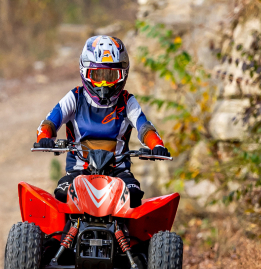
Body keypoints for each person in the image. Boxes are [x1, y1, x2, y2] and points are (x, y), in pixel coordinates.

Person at [36, 35, 170, 208]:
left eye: (111, 75)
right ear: (85, 72)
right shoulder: (75, 97)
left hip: (119, 173)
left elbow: (144, 127)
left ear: (123, 75)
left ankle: (135, 235)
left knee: (134, 196)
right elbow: (50, 122)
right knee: (62, 195)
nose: (104, 83)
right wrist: (44, 138)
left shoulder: (127, 101)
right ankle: (61, 235)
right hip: (78, 171)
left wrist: (156, 145)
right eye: (98, 75)